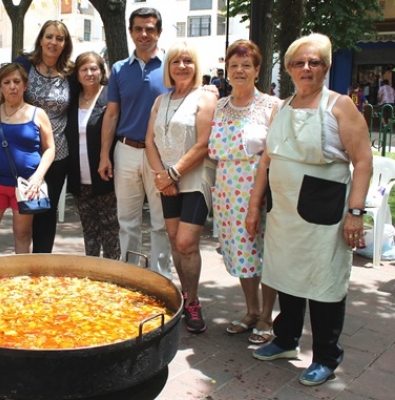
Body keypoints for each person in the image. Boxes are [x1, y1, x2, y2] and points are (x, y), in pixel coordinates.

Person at [246, 33, 372, 386]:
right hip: (284, 210)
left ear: (325, 68)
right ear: (288, 68)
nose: (306, 68)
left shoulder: (339, 106)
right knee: (286, 275)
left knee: (323, 282)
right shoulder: (283, 107)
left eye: (314, 62)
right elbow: (266, 160)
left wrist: (355, 213)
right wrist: (254, 206)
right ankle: (286, 340)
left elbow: (363, 161)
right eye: (299, 63)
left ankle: (326, 357)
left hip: (324, 209)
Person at [208, 40, 279, 344]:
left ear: (257, 70)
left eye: (246, 65)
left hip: (258, 189)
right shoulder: (219, 106)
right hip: (226, 189)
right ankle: (251, 311)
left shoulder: (271, 106)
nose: (239, 70)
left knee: (264, 252)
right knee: (241, 252)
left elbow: (272, 154)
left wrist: (255, 201)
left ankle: (267, 316)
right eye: (234, 65)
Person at [144, 42, 217, 333]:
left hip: (195, 178)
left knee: (187, 242)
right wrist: (161, 176)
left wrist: (172, 174)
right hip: (166, 180)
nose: (182, 66)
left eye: (188, 61)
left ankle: (194, 301)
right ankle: (185, 297)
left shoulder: (205, 98)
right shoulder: (160, 100)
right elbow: (149, 141)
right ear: (168, 67)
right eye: (176, 61)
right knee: (174, 240)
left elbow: (203, 143)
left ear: (196, 66)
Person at [98, 7, 172, 278]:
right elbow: (112, 114)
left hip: (161, 155)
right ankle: (130, 278)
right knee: (127, 221)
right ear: (130, 32)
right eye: (138, 28)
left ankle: (161, 278)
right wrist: (104, 155)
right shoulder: (119, 69)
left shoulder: (171, 66)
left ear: (159, 32)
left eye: (150, 28)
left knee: (161, 222)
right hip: (126, 150)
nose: (144, 34)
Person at [0, 63, 55, 257]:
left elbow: (50, 148)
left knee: (23, 233)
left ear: (25, 85)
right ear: (0, 86)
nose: (12, 86)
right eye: (7, 82)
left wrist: (38, 177)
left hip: (26, 184)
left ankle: (22, 275)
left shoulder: (37, 114)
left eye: (17, 82)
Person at [13, 20, 75, 254]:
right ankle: (22, 263)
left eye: (59, 38)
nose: (53, 42)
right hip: (26, 152)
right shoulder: (24, 65)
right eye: (49, 36)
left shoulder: (70, 73)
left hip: (58, 154)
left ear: (65, 44)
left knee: (47, 211)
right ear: (41, 39)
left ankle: (41, 263)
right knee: (25, 210)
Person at [65, 52, 119, 259]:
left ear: (101, 71)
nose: (89, 73)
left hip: (105, 174)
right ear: (77, 74)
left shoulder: (110, 97)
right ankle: (92, 271)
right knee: (89, 230)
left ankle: (113, 271)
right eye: (84, 69)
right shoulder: (71, 99)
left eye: (94, 68)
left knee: (110, 229)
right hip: (79, 176)